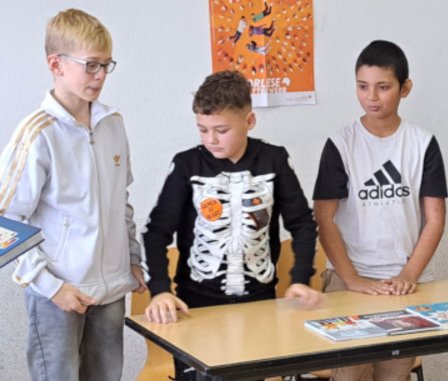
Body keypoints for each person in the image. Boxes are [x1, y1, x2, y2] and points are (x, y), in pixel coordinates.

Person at [142, 70, 322, 380]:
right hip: (195, 307)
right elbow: (157, 231)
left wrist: (300, 277)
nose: (211, 139)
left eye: (221, 130)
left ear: (249, 122)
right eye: (203, 130)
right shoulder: (187, 165)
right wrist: (159, 290)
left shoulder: (274, 160)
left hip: (258, 305)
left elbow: (302, 223)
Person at [0, 9, 146, 381]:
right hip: (57, 294)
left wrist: (132, 259)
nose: (99, 76)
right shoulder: (37, 133)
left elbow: (120, 202)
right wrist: (51, 286)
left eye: (106, 65)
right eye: (91, 65)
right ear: (56, 64)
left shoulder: (113, 124)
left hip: (111, 288)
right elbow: (4, 221)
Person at [313, 40, 447, 381]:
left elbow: (434, 219)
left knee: (394, 375)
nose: (371, 96)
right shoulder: (340, 144)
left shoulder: (422, 143)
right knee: (349, 375)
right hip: (348, 281)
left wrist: (408, 276)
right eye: (362, 86)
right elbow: (324, 218)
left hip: (405, 283)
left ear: (405, 88)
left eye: (383, 87)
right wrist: (352, 279)